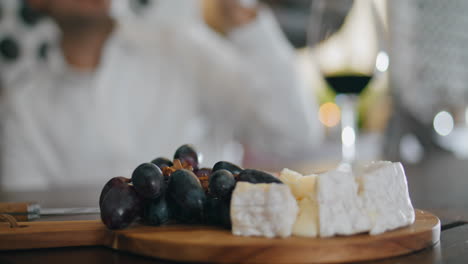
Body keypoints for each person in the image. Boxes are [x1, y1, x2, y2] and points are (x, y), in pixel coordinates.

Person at [0, 0, 323, 191]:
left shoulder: (182, 46)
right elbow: (29, 226)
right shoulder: (21, 107)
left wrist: (243, 19)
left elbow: (294, 136)